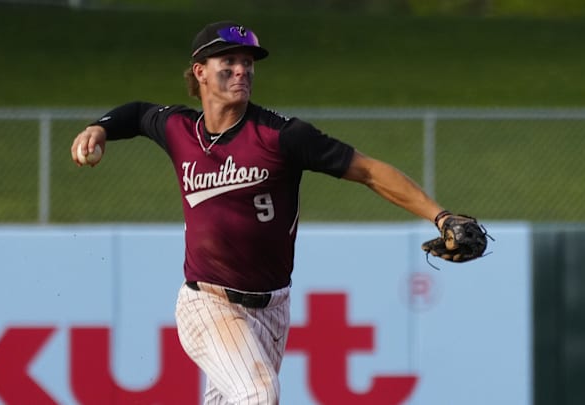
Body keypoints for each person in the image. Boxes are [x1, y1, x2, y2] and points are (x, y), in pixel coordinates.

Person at [71, 21, 452, 405]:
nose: (242, 70)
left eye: (248, 62)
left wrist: (441, 216)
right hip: (207, 302)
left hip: (273, 310)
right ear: (200, 71)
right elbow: (137, 113)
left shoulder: (281, 135)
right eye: (230, 61)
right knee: (258, 393)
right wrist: (99, 128)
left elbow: (368, 170)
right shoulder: (179, 128)